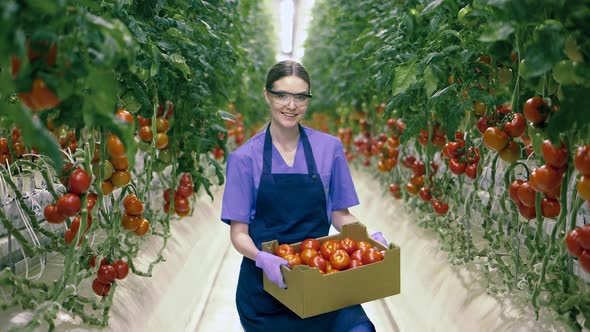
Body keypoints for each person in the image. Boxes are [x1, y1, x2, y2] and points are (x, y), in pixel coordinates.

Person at [220, 60, 386, 332]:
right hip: (267, 293)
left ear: (308, 99)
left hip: (322, 280)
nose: (291, 105)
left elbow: (339, 214)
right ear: (267, 95)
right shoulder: (244, 159)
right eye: (281, 95)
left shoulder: (328, 148)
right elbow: (239, 233)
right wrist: (262, 258)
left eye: (300, 96)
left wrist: (365, 239)